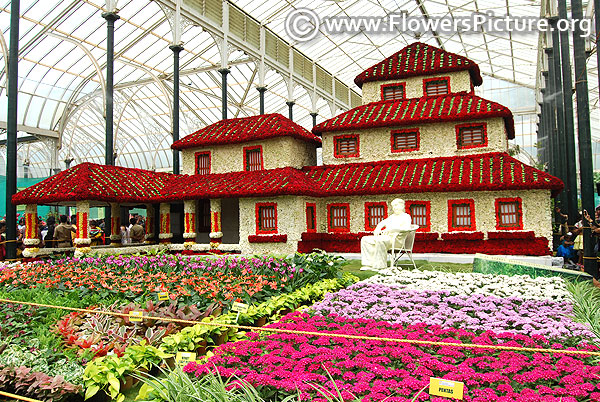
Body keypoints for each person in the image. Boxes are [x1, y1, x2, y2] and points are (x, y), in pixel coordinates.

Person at [361, 198, 413, 270]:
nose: (394, 207)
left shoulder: (406, 217)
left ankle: (380, 266)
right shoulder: (392, 217)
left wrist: (391, 229)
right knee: (365, 239)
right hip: (387, 238)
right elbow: (382, 223)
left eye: (396, 205)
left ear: (402, 206)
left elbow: (406, 228)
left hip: (397, 240)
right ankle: (368, 264)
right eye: (393, 206)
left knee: (380, 240)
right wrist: (377, 229)